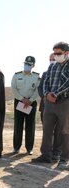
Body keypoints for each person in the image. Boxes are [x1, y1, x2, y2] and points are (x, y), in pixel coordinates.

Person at [33, 41, 69, 170]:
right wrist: (47, 94)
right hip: (49, 103)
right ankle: (46, 155)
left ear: (67, 53)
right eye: (54, 53)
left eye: (58, 53)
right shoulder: (52, 66)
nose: (56, 55)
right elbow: (46, 82)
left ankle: (64, 159)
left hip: (64, 103)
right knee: (47, 130)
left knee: (65, 131)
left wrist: (55, 94)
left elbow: (67, 84)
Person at [11, 56, 40, 155]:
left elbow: (37, 90)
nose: (26, 66)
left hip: (31, 103)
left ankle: (29, 148)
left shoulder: (36, 77)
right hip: (19, 102)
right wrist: (22, 99)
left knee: (30, 126)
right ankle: (16, 147)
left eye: (29, 64)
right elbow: (14, 89)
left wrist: (30, 100)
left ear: (33, 66)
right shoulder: (16, 75)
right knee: (18, 125)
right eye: (25, 64)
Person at [37, 53, 61, 160]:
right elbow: (40, 88)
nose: (52, 61)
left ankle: (57, 152)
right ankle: (47, 153)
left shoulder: (64, 72)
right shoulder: (45, 73)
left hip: (61, 107)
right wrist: (45, 96)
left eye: (54, 59)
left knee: (59, 131)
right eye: (50, 59)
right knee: (47, 131)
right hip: (46, 106)